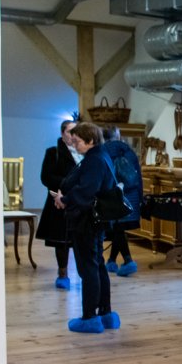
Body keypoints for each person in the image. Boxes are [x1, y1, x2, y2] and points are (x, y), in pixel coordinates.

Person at [53, 122, 119, 334]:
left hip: (86, 221)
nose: (75, 145)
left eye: (78, 142)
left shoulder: (94, 160)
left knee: (88, 268)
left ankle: (90, 316)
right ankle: (105, 313)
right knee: (97, 265)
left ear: (91, 141)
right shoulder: (100, 156)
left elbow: (87, 190)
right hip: (94, 221)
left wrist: (65, 200)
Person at [35, 119, 78, 289]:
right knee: (62, 241)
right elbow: (46, 177)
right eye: (69, 131)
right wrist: (66, 184)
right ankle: (63, 273)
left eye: (76, 132)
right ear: (62, 133)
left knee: (79, 239)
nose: (73, 135)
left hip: (78, 201)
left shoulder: (83, 151)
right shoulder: (53, 152)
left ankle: (83, 273)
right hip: (59, 200)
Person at [101, 125, 143, 277]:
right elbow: (138, 176)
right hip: (131, 194)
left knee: (117, 227)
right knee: (119, 228)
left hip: (113, 194)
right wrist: (140, 197)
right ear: (117, 135)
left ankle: (128, 260)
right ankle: (111, 261)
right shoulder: (128, 151)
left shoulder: (103, 151)